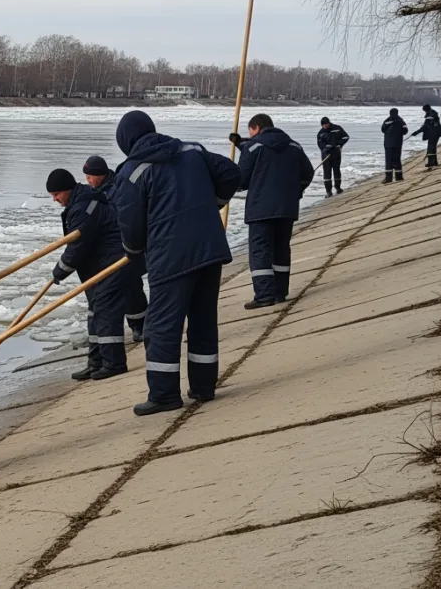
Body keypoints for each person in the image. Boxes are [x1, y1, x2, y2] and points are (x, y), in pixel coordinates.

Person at [110, 111, 241, 416]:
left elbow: (129, 225)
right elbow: (232, 174)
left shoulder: (132, 172)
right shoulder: (192, 150)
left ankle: (164, 393)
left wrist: (134, 252)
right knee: (203, 319)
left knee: (161, 327)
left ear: (126, 142)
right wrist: (215, 202)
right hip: (210, 249)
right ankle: (203, 386)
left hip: (171, 257)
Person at [45, 168, 129, 382]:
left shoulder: (83, 207)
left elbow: (78, 246)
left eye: (57, 194)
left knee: (105, 312)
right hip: (97, 266)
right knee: (95, 313)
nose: (55, 200)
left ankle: (114, 363)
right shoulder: (80, 201)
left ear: (68, 190)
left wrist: (59, 271)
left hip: (111, 263)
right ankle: (96, 362)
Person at [231, 114, 315, 310]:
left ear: (257, 127)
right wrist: (297, 192)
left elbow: (242, 179)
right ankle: (279, 292)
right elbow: (307, 174)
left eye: (250, 131)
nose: (249, 136)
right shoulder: (294, 146)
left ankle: (264, 295)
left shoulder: (253, 148)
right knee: (281, 248)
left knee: (260, 250)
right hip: (287, 208)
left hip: (261, 208)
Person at [83, 155, 147, 341]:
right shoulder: (95, 191)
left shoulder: (117, 189)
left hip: (127, 248)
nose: (87, 180)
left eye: (90, 176)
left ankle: (140, 326)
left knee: (132, 288)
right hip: (109, 251)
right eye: (85, 176)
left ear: (100, 174)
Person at [316, 117, 349, 197]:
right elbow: (320, 144)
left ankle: (338, 187)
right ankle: (328, 191)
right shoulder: (320, 133)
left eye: (326, 124)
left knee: (336, 170)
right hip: (326, 155)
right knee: (327, 173)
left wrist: (339, 144)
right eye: (323, 125)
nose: (325, 126)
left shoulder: (337, 128)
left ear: (329, 123)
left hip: (336, 153)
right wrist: (326, 149)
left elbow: (346, 137)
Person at [411, 104, 441, 169]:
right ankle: (434, 162)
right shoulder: (433, 113)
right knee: (432, 148)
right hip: (435, 133)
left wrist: (417, 132)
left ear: (426, 110)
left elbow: (425, 126)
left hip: (433, 134)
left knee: (431, 148)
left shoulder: (430, 115)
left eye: (424, 110)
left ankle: (431, 162)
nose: (424, 112)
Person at [382, 108, 408, 183]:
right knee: (397, 159)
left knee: (388, 161)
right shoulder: (400, 121)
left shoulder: (387, 120)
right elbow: (405, 131)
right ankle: (399, 177)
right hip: (397, 143)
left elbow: (383, 129)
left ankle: (388, 178)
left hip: (388, 144)